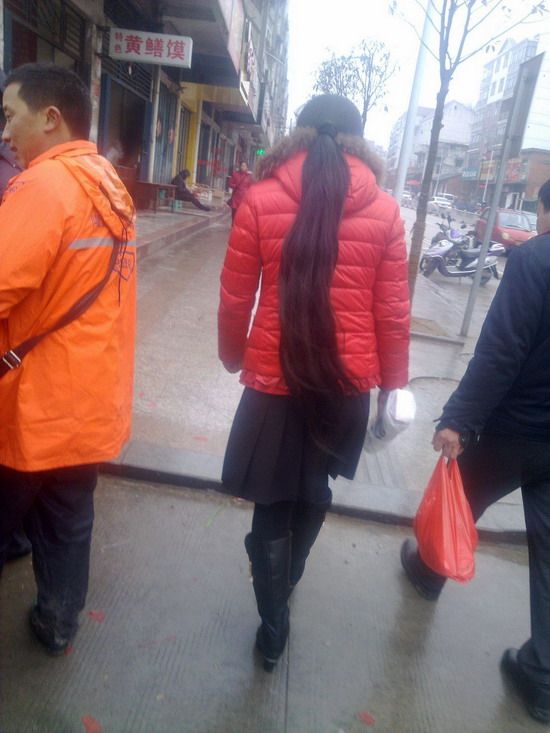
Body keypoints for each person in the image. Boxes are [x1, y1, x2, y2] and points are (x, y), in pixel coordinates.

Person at [218, 94, 410, 671]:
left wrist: (233, 356)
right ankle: (287, 578)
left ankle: (273, 621)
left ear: (298, 134)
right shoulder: (385, 211)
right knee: (314, 487)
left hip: (273, 383)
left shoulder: (260, 197)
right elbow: (392, 311)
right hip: (345, 387)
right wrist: (393, 385)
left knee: (272, 497)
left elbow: (235, 296)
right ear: (359, 141)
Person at [401, 178, 550, 724]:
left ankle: (427, 574)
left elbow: (501, 350)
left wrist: (460, 419)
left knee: (459, 500)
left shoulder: (534, 260)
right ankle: (543, 678)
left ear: (545, 209)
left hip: (514, 431)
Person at [0, 63, 136, 655]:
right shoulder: (109, 184)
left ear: (51, 118)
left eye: (11, 116)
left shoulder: (43, 186)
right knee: (69, 517)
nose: (5, 132)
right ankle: (58, 622)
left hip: (33, 402)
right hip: (88, 400)